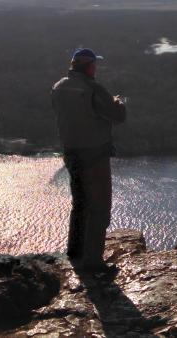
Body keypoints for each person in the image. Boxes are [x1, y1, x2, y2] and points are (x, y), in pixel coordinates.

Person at [51, 48, 126, 272]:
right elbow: (118, 115)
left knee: (80, 203)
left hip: (71, 153)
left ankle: (74, 252)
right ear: (90, 66)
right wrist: (119, 102)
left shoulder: (58, 87)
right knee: (99, 207)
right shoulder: (93, 89)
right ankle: (93, 262)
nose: (97, 68)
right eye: (95, 65)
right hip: (94, 156)